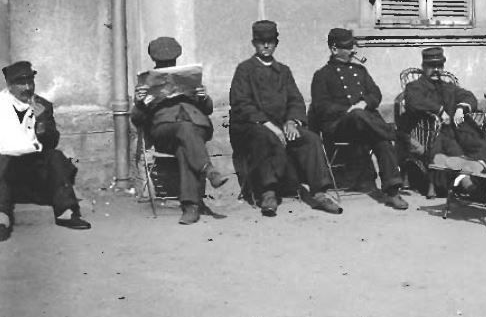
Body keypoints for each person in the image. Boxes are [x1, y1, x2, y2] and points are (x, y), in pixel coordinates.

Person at [229, 20, 342, 217]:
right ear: (254, 43)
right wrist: (271, 127)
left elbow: (296, 100)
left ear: (276, 44)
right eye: (261, 42)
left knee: (311, 139)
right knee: (264, 137)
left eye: (270, 42)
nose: (265, 46)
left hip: (283, 125)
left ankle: (320, 193)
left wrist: (292, 121)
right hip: (255, 127)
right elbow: (241, 104)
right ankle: (268, 193)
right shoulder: (244, 70)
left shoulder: (283, 71)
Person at [132, 37, 228, 225]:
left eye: (171, 63)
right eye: (163, 64)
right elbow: (137, 120)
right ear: (155, 61)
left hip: (196, 125)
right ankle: (207, 172)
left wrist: (203, 96)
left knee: (185, 144)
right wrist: (140, 102)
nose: (168, 66)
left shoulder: (188, 79)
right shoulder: (147, 83)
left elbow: (207, 109)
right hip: (164, 130)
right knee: (185, 133)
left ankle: (191, 207)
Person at [309, 28, 407, 210]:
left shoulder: (360, 70)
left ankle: (392, 191)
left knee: (381, 140)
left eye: (352, 45)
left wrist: (364, 103)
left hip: (366, 126)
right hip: (340, 127)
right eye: (347, 47)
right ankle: (395, 134)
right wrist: (349, 110)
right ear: (334, 49)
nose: (353, 50)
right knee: (360, 116)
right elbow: (321, 107)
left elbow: (375, 93)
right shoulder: (322, 75)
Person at [0, 61, 91, 241]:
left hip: (35, 174)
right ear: (9, 86)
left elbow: (52, 142)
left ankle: (66, 211)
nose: (27, 88)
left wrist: (41, 124)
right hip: (6, 174)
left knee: (55, 157)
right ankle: (1, 217)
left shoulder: (42, 105)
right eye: (21, 83)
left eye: (30, 82)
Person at [401, 47, 486, 193]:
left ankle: (485, 181)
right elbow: (414, 103)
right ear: (423, 67)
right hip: (430, 134)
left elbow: (469, 96)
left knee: (480, 146)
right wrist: (439, 110)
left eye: (439, 66)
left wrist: (461, 108)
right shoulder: (414, 87)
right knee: (450, 149)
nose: (436, 70)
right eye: (431, 66)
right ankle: (466, 183)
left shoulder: (448, 87)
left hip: (457, 132)